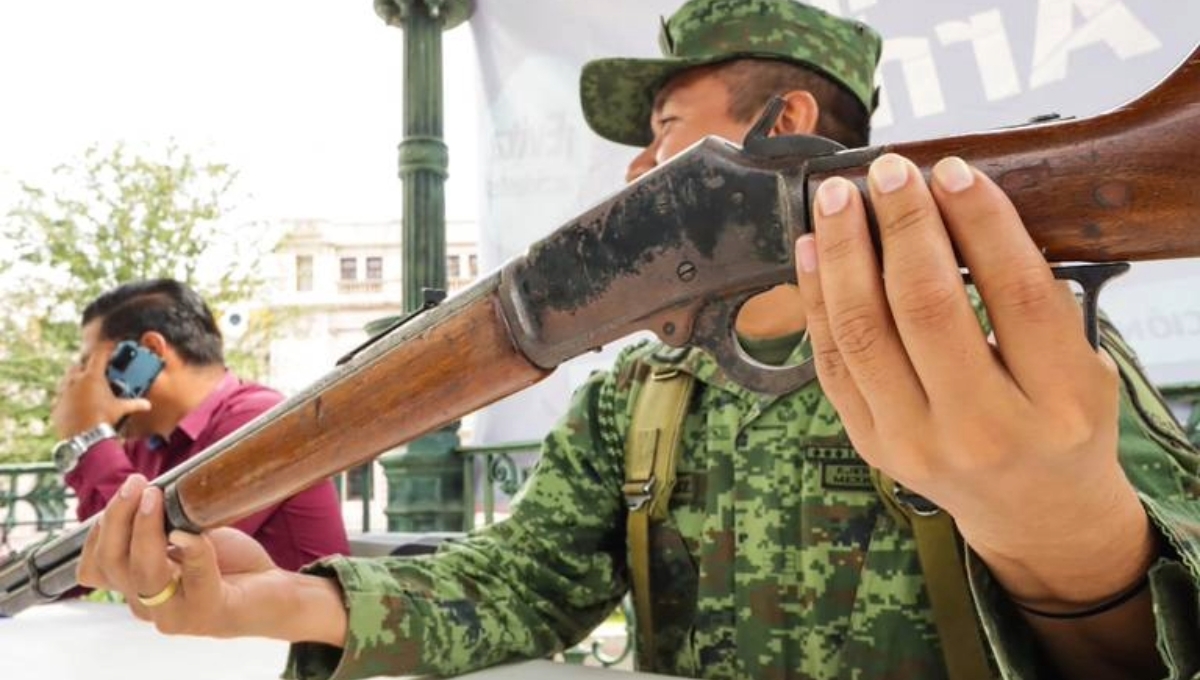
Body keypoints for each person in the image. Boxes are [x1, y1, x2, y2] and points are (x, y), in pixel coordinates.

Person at [78, 2, 1200, 680]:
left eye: (665, 130)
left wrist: (1072, 550)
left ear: (784, 131)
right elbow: (521, 581)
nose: (630, 172)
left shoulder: (1016, 341)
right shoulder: (642, 393)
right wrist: (255, 597)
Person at [53, 278, 349, 571]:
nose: (81, 382)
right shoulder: (147, 444)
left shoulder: (262, 421)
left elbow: (166, 561)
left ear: (150, 351)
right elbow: (97, 552)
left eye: (89, 364)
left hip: (293, 618)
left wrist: (91, 434)